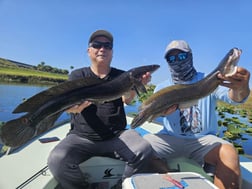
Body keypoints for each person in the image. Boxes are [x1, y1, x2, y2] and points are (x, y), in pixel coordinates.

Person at [47, 30, 154, 189]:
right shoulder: (78, 75)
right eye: (97, 45)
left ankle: (120, 186)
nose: (102, 48)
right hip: (81, 137)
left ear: (112, 52)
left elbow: (127, 99)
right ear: (89, 50)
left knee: (144, 150)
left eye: (107, 46)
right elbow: (69, 108)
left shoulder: (122, 75)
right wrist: (75, 109)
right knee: (57, 159)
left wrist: (137, 87)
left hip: (117, 135)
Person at [143, 40, 250, 189]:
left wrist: (241, 88)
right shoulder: (162, 88)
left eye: (181, 57)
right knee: (141, 147)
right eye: (172, 59)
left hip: (204, 140)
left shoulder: (209, 79)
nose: (177, 62)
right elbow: (152, 116)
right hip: (170, 138)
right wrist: (159, 112)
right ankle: (167, 173)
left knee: (229, 152)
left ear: (190, 56)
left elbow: (235, 99)